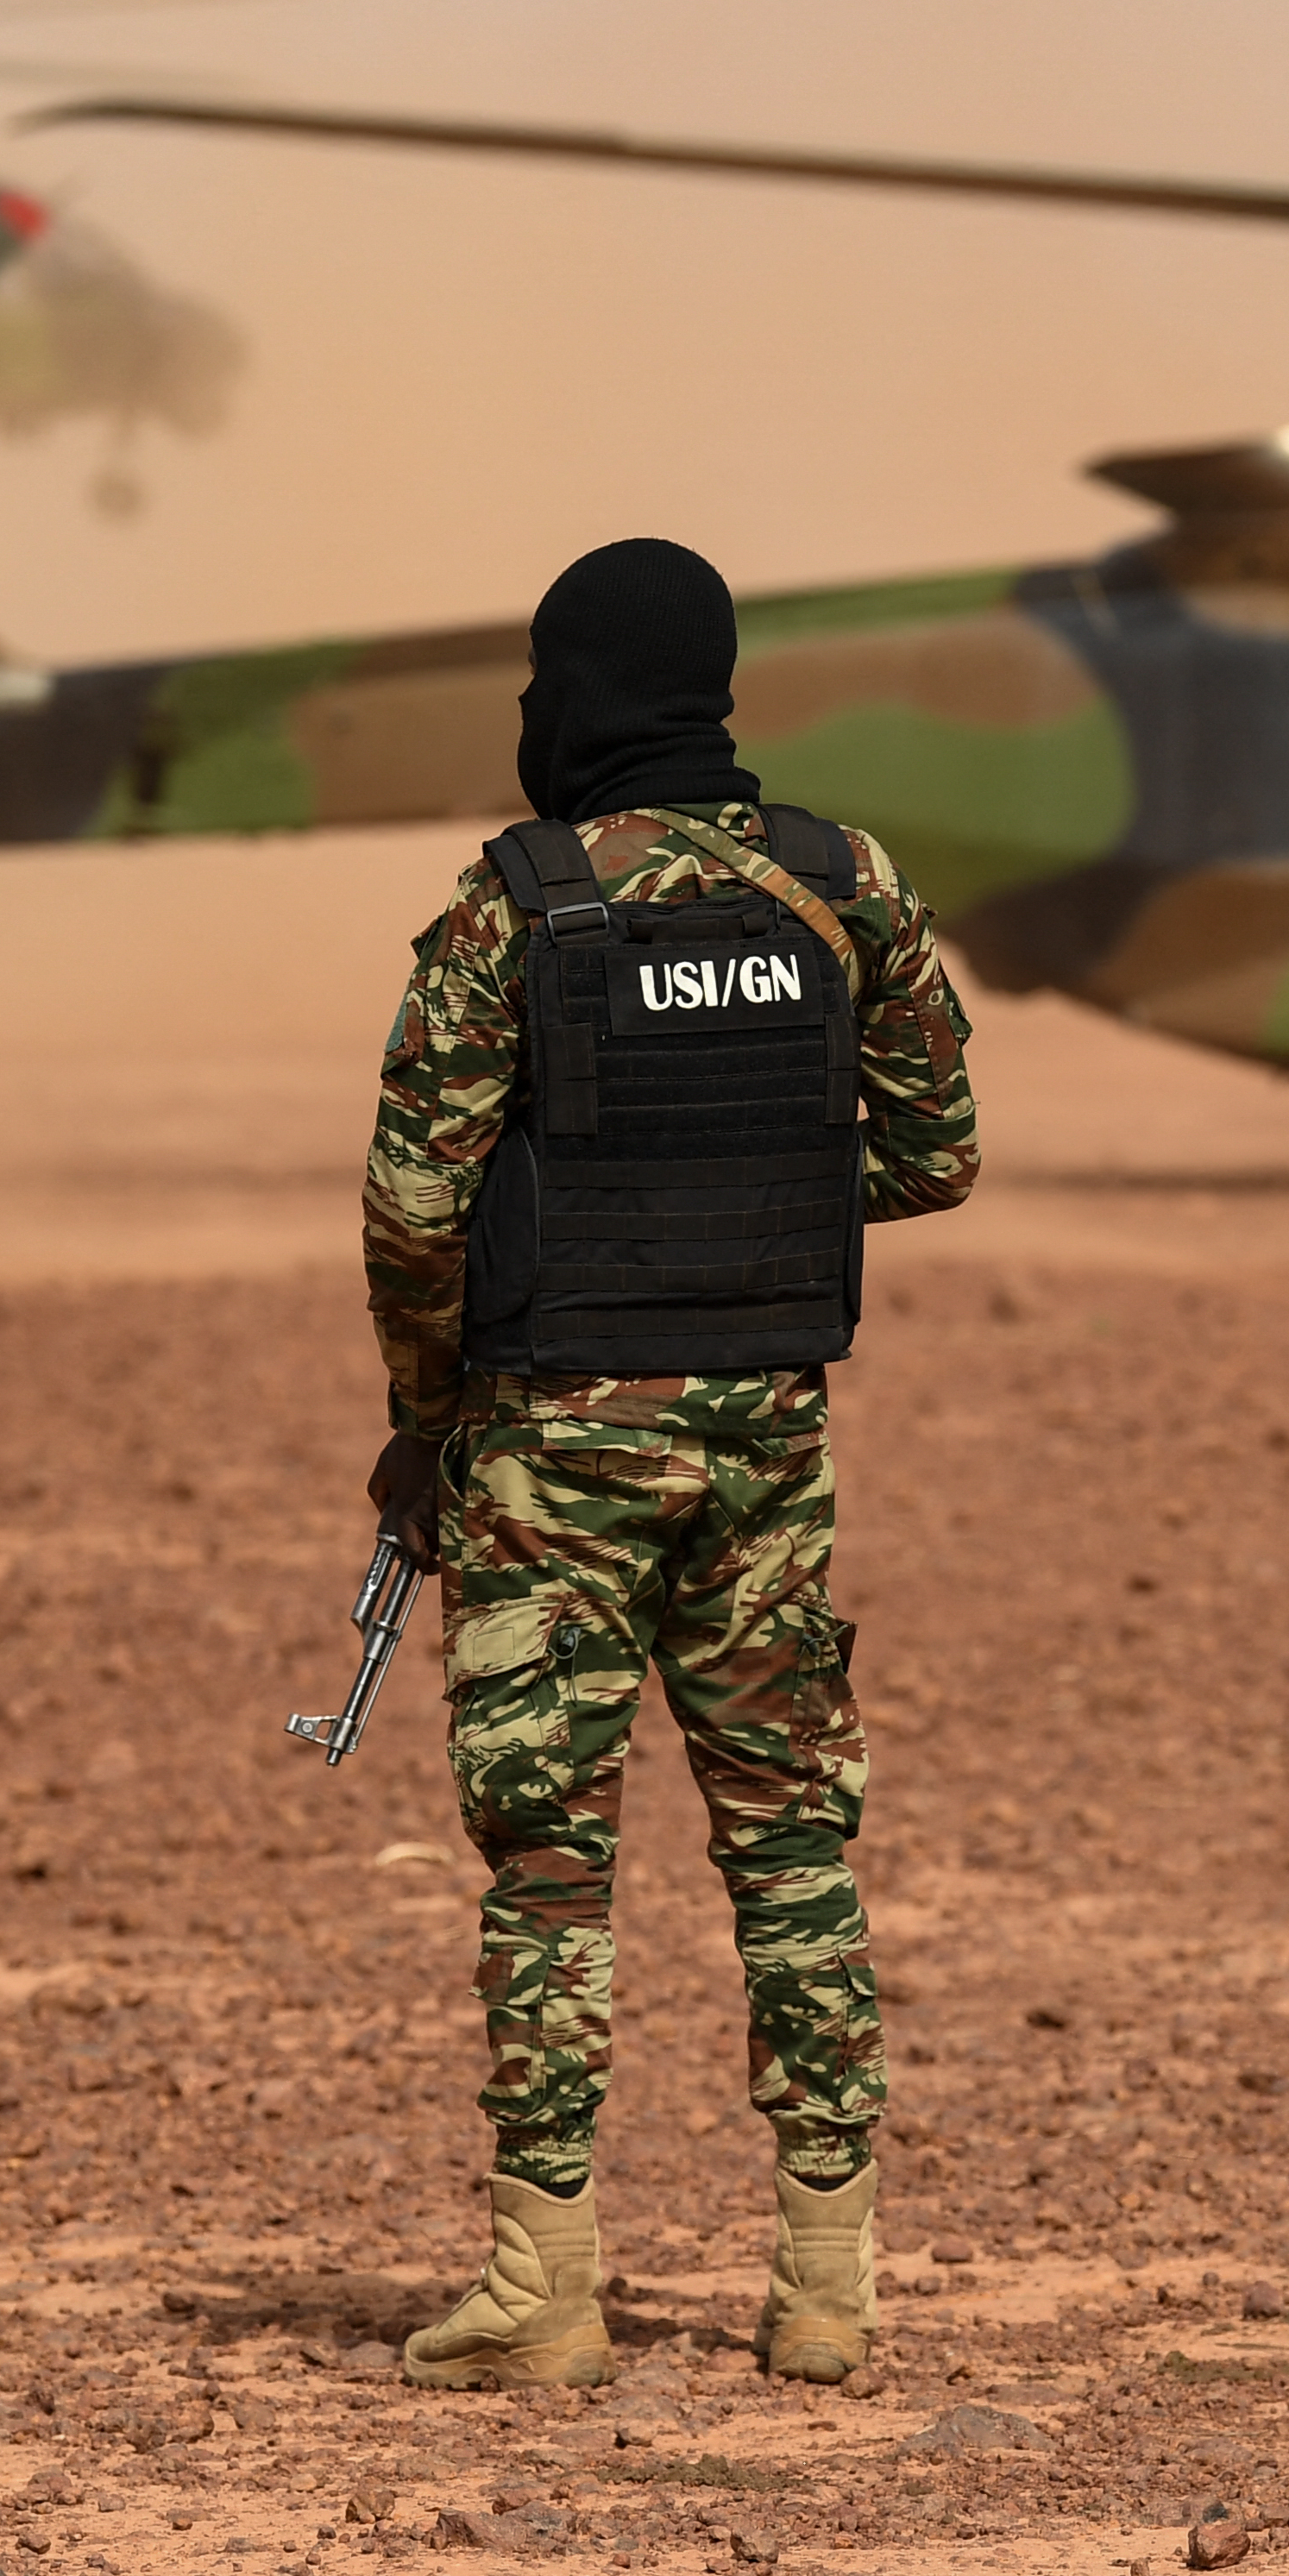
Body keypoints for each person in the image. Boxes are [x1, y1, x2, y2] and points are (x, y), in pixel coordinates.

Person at [359, 535, 979, 2391]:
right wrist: (748, 1208)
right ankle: (827, 2285)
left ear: (576, 694)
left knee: (551, 1862)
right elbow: (935, 1150)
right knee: (792, 1842)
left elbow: (414, 1209)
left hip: (550, 1450)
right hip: (766, 1435)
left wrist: (425, 1417)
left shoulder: (517, 904)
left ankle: (544, 2286)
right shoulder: (841, 884)